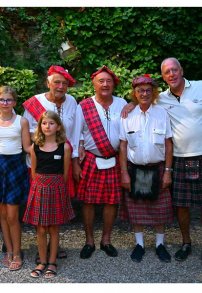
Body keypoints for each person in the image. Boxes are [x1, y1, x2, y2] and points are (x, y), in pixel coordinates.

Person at [121, 57, 202, 270]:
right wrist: (131, 103)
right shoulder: (160, 99)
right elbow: (144, 99)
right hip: (180, 158)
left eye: (174, 70)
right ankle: (186, 243)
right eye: (167, 72)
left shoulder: (201, 86)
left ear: (181, 70)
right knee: (181, 205)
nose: (171, 74)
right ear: (163, 77)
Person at [23, 65, 77, 263]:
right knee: (41, 215)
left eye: (64, 83)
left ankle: (52, 250)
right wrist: (45, 140)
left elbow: (76, 130)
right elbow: (28, 131)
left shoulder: (72, 101)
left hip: (61, 161)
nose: (60, 86)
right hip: (39, 165)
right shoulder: (34, 102)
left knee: (54, 212)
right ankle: (42, 252)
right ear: (48, 83)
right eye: (57, 82)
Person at [72, 66, 127, 259]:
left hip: (114, 159)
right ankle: (89, 241)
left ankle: (106, 240)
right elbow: (76, 134)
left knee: (111, 201)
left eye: (109, 81)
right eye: (101, 81)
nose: (105, 84)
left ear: (114, 84)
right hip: (91, 160)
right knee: (88, 201)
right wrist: (75, 163)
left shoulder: (122, 104)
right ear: (94, 85)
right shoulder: (84, 106)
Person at [118, 74, 174, 263]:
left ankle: (160, 245)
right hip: (136, 170)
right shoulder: (127, 115)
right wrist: (124, 173)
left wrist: (168, 171)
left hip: (158, 169)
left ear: (154, 92)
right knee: (137, 210)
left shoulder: (162, 113)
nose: (144, 93)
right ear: (135, 93)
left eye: (148, 90)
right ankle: (139, 245)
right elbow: (123, 146)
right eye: (140, 90)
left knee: (159, 211)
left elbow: (168, 144)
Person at [0, 86, 31, 271]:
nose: (5, 103)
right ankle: (9, 251)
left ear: (15, 102)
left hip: (15, 167)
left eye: (9, 100)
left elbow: (27, 147)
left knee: (12, 215)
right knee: (2, 214)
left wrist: (48, 147)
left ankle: (18, 252)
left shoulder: (22, 121)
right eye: (2, 99)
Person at [23, 111, 74, 278]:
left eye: (51, 123)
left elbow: (65, 174)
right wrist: (42, 185)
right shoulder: (35, 147)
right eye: (44, 123)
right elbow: (34, 172)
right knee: (41, 228)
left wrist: (54, 185)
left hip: (57, 187)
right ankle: (42, 261)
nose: (47, 126)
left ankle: (52, 263)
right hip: (40, 187)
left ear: (58, 126)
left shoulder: (64, 147)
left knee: (53, 228)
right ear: (40, 126)